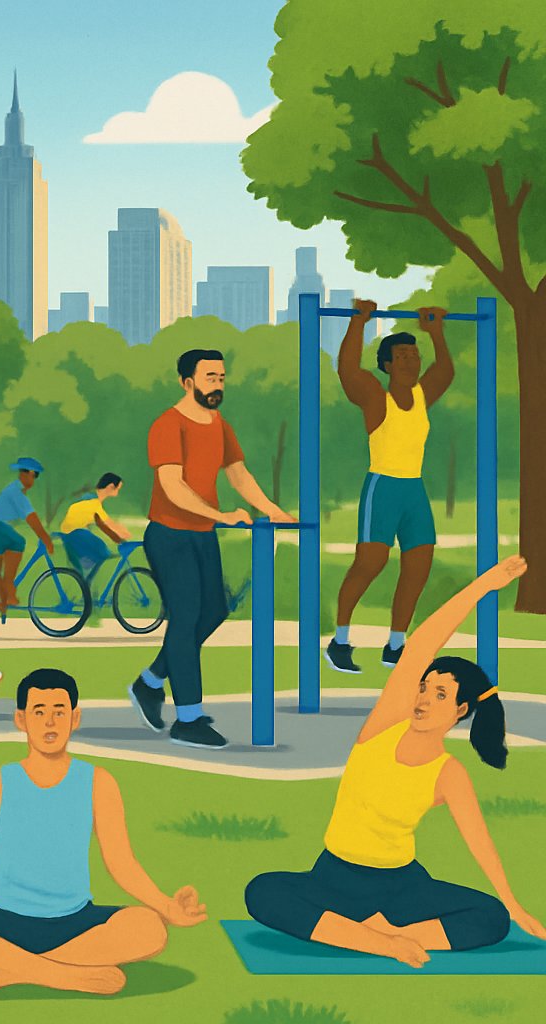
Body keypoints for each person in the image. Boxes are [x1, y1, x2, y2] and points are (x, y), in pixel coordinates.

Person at [245, 556, 546, 968]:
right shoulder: (383, 728)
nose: (423, 699)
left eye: (440, 695)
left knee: (491, 917)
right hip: (334, 877)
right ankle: (382, 942)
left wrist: (513, 905)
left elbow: (479, 842)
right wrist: (483, 586)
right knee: (262, 892)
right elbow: (421, 644)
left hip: (401, 886)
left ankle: (368, 935)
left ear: (460, 710)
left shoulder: (448, 773)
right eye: (423, 688)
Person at [0, 668, 207, 996]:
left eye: (59, 712)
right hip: (4, 921)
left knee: (149, 927)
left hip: (77, 922)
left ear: (75, 718)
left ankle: (9, 970)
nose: (50, 722)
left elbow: (122, 863)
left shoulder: (99, 782)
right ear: (21, 719)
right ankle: (64, 975)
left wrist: (168, 907)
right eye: (39, 712)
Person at [128, 348, 294, 749]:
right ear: (187, 382)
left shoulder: (220, 425)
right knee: (186, 620)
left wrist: (272, 510)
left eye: (221, 377)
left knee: (215, 610)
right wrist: (221, 516)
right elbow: (172, 486)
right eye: (209, 378)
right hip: (170, 535)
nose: (218, 385)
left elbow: (238, 474)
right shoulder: (168, 424)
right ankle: (188, 719)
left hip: (202, 534)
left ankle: (150, 681)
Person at [326, 300, 455, 673]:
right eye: (402, 357)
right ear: (386, 365)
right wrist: (359, 322)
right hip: (383, 486)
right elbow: (348, 370)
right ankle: (340, 641)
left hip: (413, 489)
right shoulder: (375, 396)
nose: (411, 363)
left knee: (419, 564)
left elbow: (445, 371)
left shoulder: (422, 395)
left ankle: (396, 646)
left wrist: (436, 332)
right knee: (371, 562)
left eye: (414, 357)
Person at [0, 458, 54, 611]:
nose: (33, 479)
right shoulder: (16, 493)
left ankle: (7, 592)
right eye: (33, 475)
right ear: (24, 474)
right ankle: (5, 597)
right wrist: (46, 539)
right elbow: (32, 519)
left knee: (17, 543)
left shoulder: (17, 491)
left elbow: (30, 517)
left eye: (36, 476)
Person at [59, 472, 131, 579]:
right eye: (118, 489)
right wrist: (122, 537)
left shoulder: (90, 498)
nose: (118, 493)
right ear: (111, 486)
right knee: (101, 550)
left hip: (71, 534)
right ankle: (86, 576)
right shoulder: (94, 503)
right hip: (76, 534)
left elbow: (103, 525)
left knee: (100, 554)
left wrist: (118, 538)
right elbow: (107, 524)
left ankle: (86, 580)